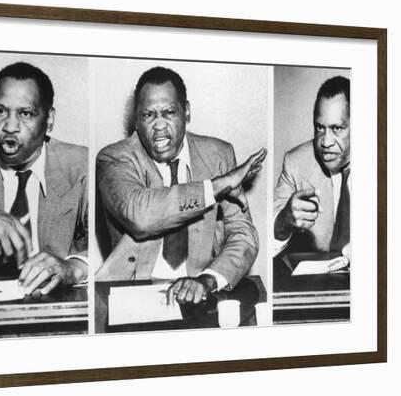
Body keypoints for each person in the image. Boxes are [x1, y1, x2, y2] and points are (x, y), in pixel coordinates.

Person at [96, 66, 266, 305]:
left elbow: (243, 235)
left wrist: (208, 280)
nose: (159, 125)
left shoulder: (219, 154)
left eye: (168, 112)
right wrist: (217, 187)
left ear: (186, 112)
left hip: (200, 290)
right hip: (132, 292)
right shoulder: (114, 158)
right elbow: (140, 216)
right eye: (148, 115)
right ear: (136, 120)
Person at [0, 62, 88, 297]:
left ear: (48, 121)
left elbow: (113, 249)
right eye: (0, 111)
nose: (10, 126)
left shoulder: (82, 167)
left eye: (25, 114)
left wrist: (73, 267)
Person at [273, 75, 350, 258]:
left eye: (337, 128)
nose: (326, 142)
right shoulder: (296, 162)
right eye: (319, 128)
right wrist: (283, 222)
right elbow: (264, 241)